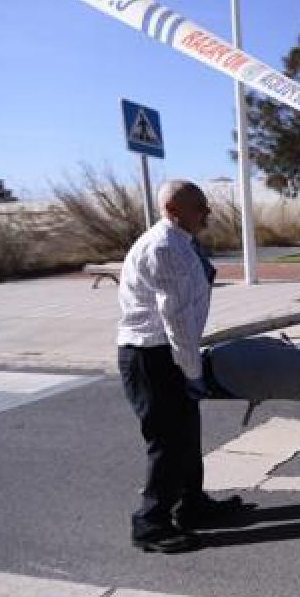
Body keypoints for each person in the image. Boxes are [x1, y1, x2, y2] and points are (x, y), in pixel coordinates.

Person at [116, 179, 248, 553]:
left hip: (167, 352)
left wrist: (190, 367)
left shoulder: (180, 242)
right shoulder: (164, 247)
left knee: (187, 435)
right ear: (173, 211)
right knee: (168, 442)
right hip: (152, 356)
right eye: (199, 207)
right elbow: (175, 320)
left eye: (205, 205)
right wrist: (192, 373)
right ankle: (150, 524)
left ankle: (192, 505)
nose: (207, 212)